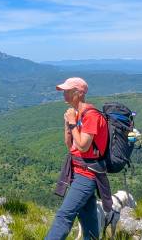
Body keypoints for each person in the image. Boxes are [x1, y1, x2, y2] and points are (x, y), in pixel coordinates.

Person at [46, 77, 112, 240]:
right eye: (64, 91)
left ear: (79, 93)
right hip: (77, 171)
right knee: (88, 217)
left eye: (68, 91)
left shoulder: (91, 116)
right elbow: (70, 146)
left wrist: (72, 122)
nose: (64, 94)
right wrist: (68, 124)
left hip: (87, 174)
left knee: (64, 215)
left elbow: (83, 146)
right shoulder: (76, 114)